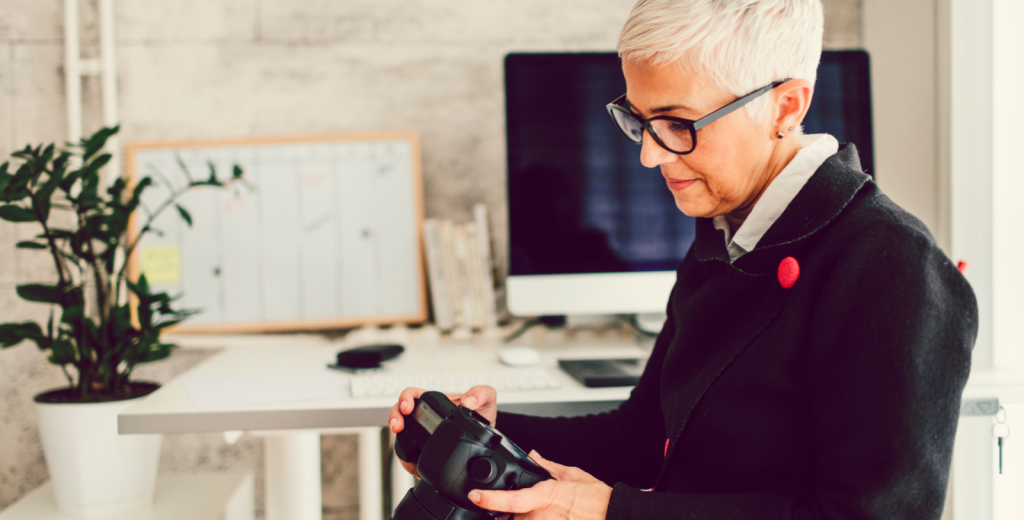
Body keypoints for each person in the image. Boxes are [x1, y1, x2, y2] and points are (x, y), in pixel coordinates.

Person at [389, 0, 978, 518]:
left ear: (786, 106)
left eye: (677, 123)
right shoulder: (726, 233)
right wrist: (491, 437)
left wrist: (610, 513)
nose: (649, 156)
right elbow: (647, 436)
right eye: (640, 121)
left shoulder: (892, 267)